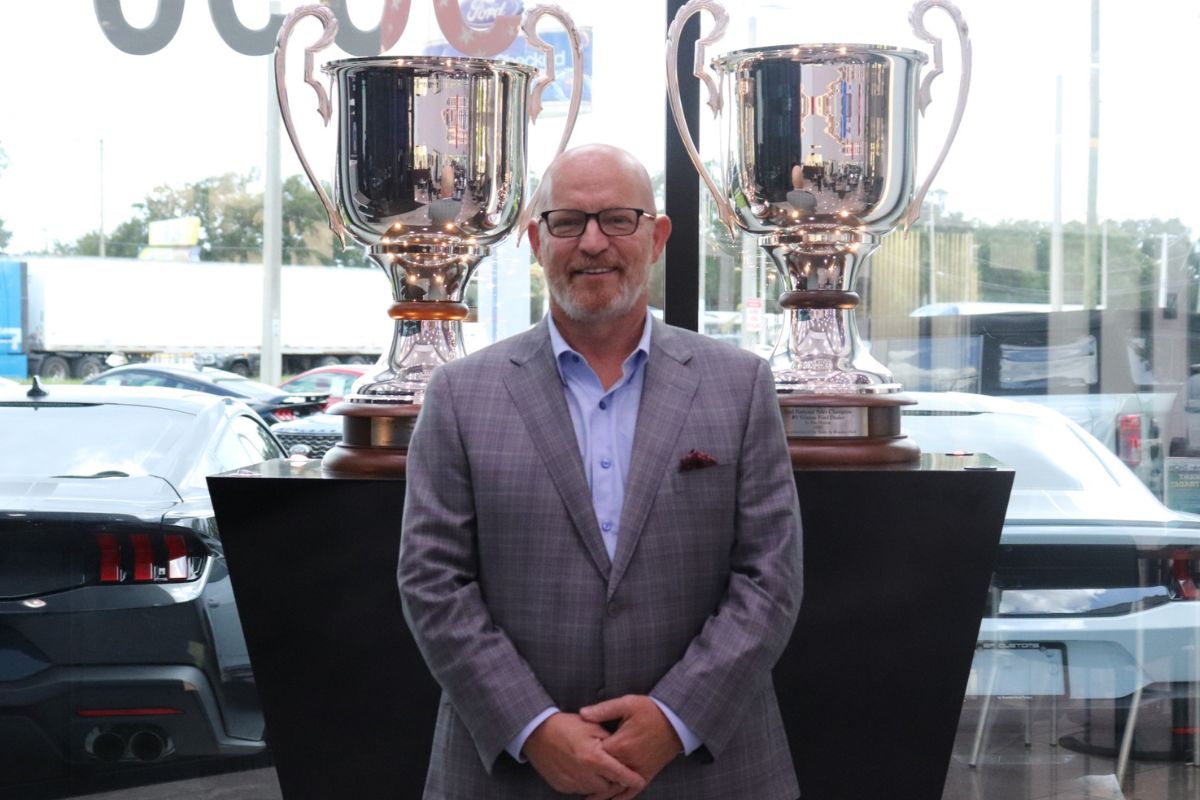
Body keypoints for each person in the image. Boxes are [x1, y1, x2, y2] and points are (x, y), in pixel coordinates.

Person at [398, 144, 803, 799]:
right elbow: (432, 583)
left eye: (618, 219)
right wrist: (533, 728)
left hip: (706, 770)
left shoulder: (740, 385)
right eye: (568, 222)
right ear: (536, 240)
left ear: (657, 235)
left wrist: (675, 720)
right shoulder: (459, 395)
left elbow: (770, 578)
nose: (593, 243)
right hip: (514, 774)